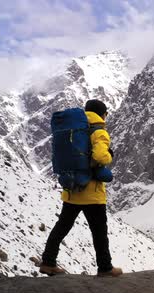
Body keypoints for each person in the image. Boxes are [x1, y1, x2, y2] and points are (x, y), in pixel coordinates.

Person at [39, 99, 122, 277]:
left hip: (72, 190)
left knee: (61, 227)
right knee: (99, 232)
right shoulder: (99, 131)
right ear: (102, 114)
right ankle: (105, 267)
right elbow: (100, 156)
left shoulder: (76, 129)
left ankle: (48, 262)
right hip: (92, 194)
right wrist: (109, 156)